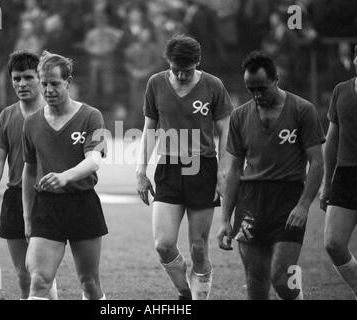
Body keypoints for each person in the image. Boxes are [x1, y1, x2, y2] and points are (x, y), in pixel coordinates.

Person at [217, 51, 325, 300]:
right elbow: (233, 171)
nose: (256, 95)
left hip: (287, 199)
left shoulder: (302, 110)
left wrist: (303, 205)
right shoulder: (239, 116)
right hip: (251, 200)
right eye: (250, 89)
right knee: (255, 280)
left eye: (262, 89)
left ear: (277, 79)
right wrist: (225, 219)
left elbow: (317, 162)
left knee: (281, 277)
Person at [136, 35, 233, 300]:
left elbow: (225, 130)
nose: (180, 74)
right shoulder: (155, 83)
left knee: (199, 248)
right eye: (175, 68)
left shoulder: (213, 85)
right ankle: (185, 292)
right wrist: (141, 171)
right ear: (168, 62)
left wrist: (223, 171)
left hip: (202, 168)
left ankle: (197, 299)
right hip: (168, 167)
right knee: (163, 245)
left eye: (186, 70)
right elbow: (149, 129)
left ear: (197, 62)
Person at [22, 51, 108, 300]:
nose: (48, 89)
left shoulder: (92, 116)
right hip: (46, 208)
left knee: (89, 283)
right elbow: (29, 171)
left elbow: (94, 160)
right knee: (39, 281)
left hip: (83, 204)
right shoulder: (31, 124)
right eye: (44, 83)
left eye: (55, 83)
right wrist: (27, 216)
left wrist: (65, 176)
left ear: (69, 83)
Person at [0, 50, 57, 300]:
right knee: (24, 274)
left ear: (39, 78)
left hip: (49, 196)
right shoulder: (7, 116)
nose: (21, 84)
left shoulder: (55, 113)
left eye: (28, 77)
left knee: (41, 272)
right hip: (15, 197)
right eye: (16, 78)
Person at [321, 41, 357, 299]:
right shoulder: (341, 90)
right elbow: (331, 141)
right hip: (347, 175)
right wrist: (326, 182)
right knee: (333, 243)